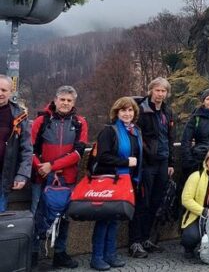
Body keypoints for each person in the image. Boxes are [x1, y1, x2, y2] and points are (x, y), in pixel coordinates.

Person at [30, 85, 88, 269]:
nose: (65, 103)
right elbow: (29, 149)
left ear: (74, 103)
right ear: (55, 100)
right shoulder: (41, 120)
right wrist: (40, 167)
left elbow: (78, 153)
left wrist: (52, 166)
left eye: (69, 100)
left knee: (64, 217)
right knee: (37, 217)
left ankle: (60, 254)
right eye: (62, 99)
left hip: (67, 178)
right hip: (41, 178)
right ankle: (33, 255)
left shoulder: (79, 122)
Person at [90, 97, 143, 271]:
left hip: (126, 181)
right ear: (117, 112)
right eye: (123, 110)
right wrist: (125, 162)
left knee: (115, 219)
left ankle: (110, 255)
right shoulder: (109, 131)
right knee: (104, 219)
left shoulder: (135, 131)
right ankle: (97, 257)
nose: (127, 114)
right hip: (110, 179)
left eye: (130, 110)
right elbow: (102, 157)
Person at [129, 78, 175, 258]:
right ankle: (135, 242)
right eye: (157, 90)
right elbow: (136, 136)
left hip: (163, 162)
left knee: (156, 202)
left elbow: (170, 137)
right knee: (142, 202)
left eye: (163, 91)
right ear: (150, 91)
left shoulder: (167, 111)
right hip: (147, 163)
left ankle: (147, 239)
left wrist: (171, 162)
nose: (160, 94)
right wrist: (146, 155)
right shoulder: (141, 111)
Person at [0, 75, 32, 213]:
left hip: (4, 177)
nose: (0, 93)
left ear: (10, 92)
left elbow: (27, 148)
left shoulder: (19, 116)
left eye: (4, 90)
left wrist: (22, 175)